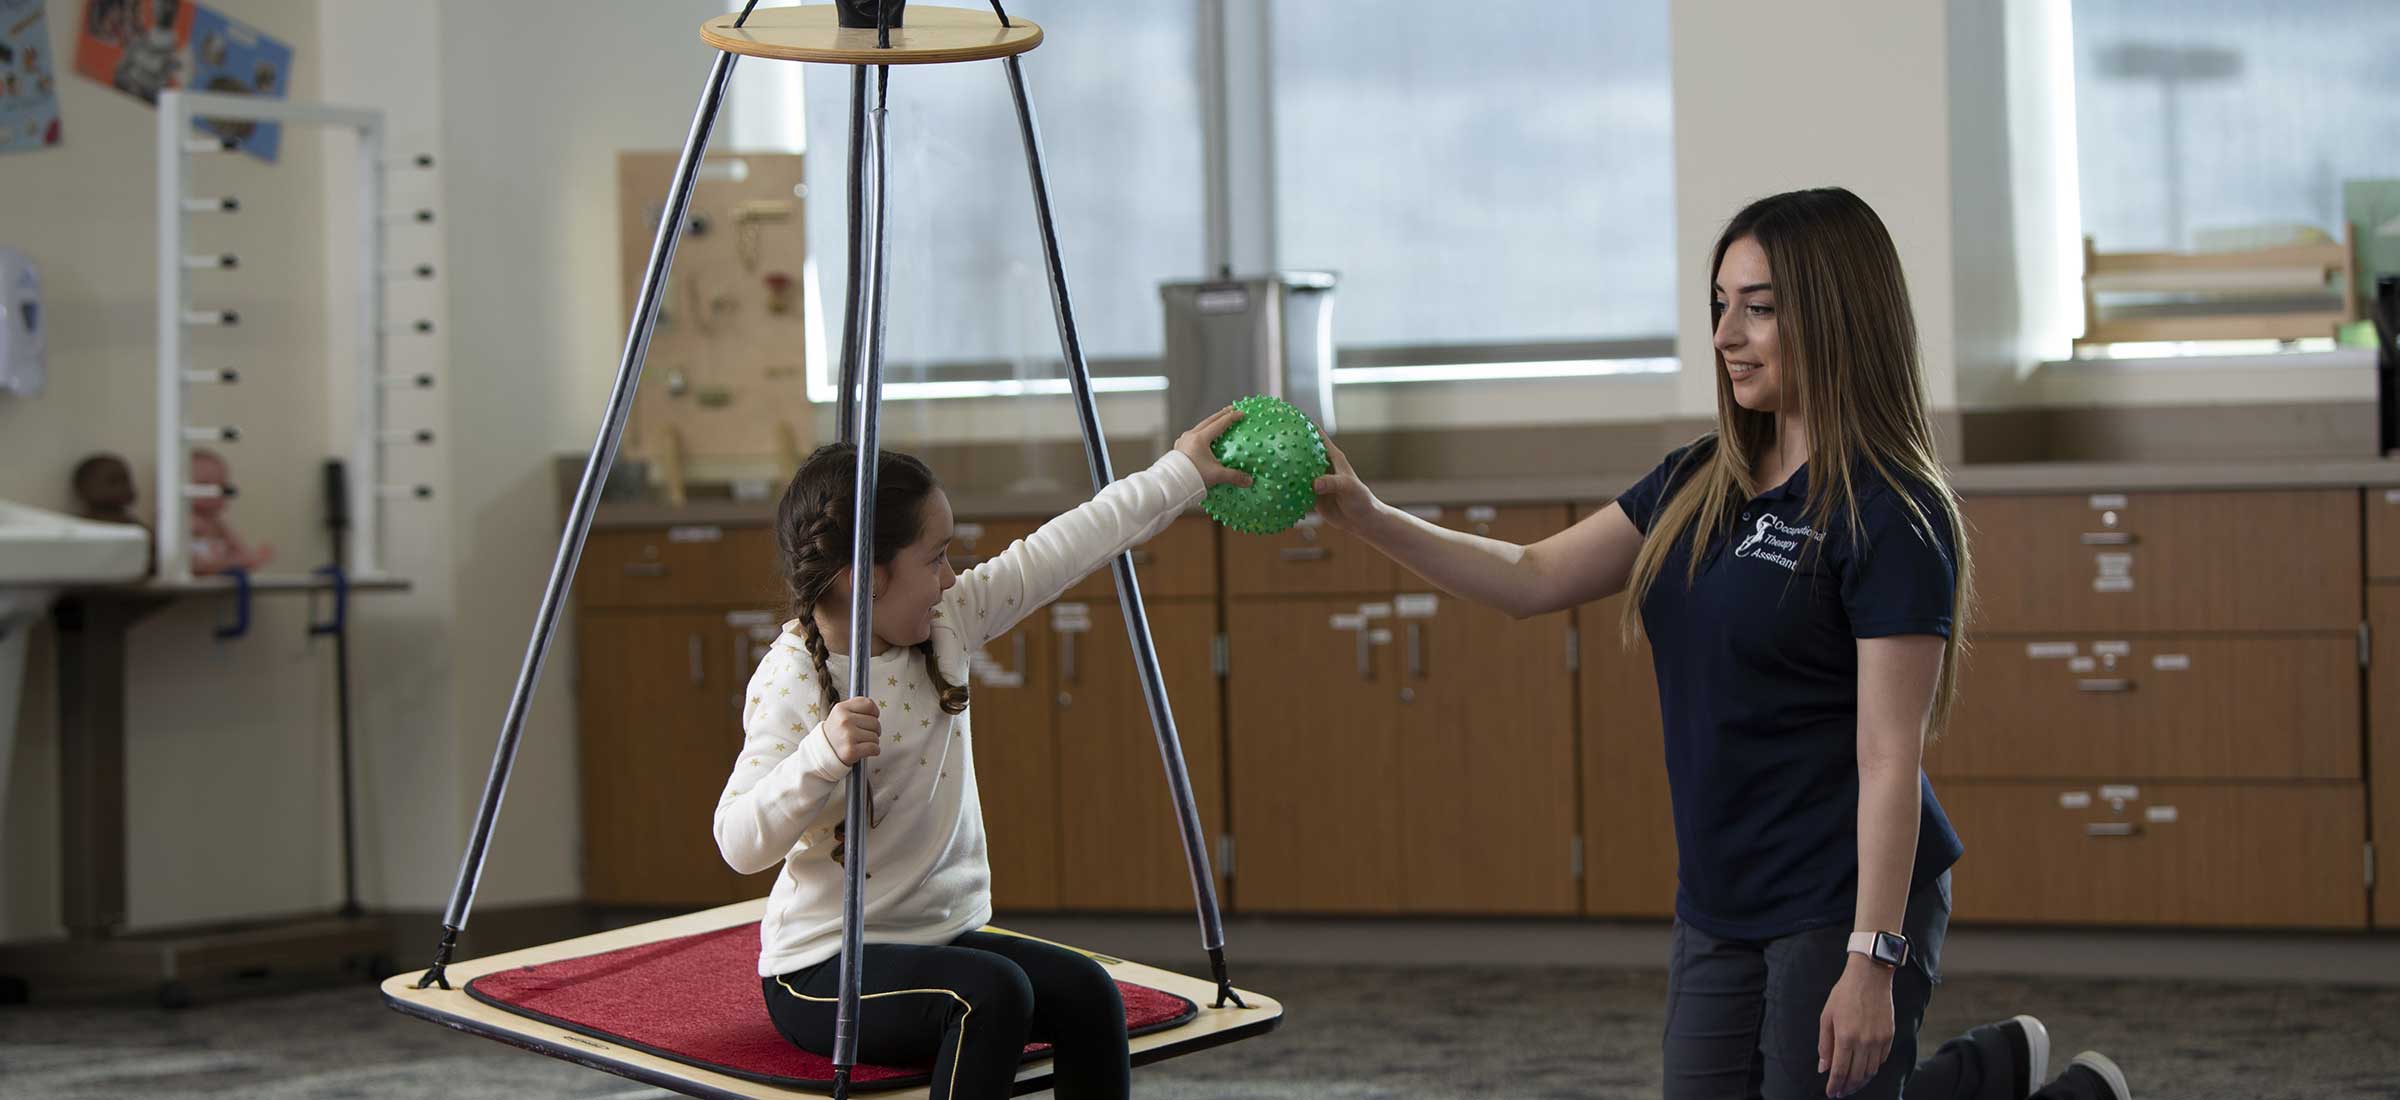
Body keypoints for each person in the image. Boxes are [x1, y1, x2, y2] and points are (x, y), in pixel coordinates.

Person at [1309, 187, 2131, 1100]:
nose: (1727, 334)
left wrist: (1873, 962)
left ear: (1836, 312)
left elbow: (1890, 757)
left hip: (1837, 898)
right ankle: (1987, 1076)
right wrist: (1367, 516)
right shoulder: (1697, 479)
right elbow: (1530, 578)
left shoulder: (1891, 513)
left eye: (1761, 308)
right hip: (1720, 896)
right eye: (1720, 305)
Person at [715, 408, 1251, 1100]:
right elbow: (737, 842)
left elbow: (1066, 546)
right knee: (990, 996)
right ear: (864, 577)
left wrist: (1182, 471)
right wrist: (819, 756)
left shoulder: (946, 623)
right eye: (934, 558)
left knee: (1090, 993)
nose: (948, 578)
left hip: (940, 940)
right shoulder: (791, 679)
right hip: (821, 970)